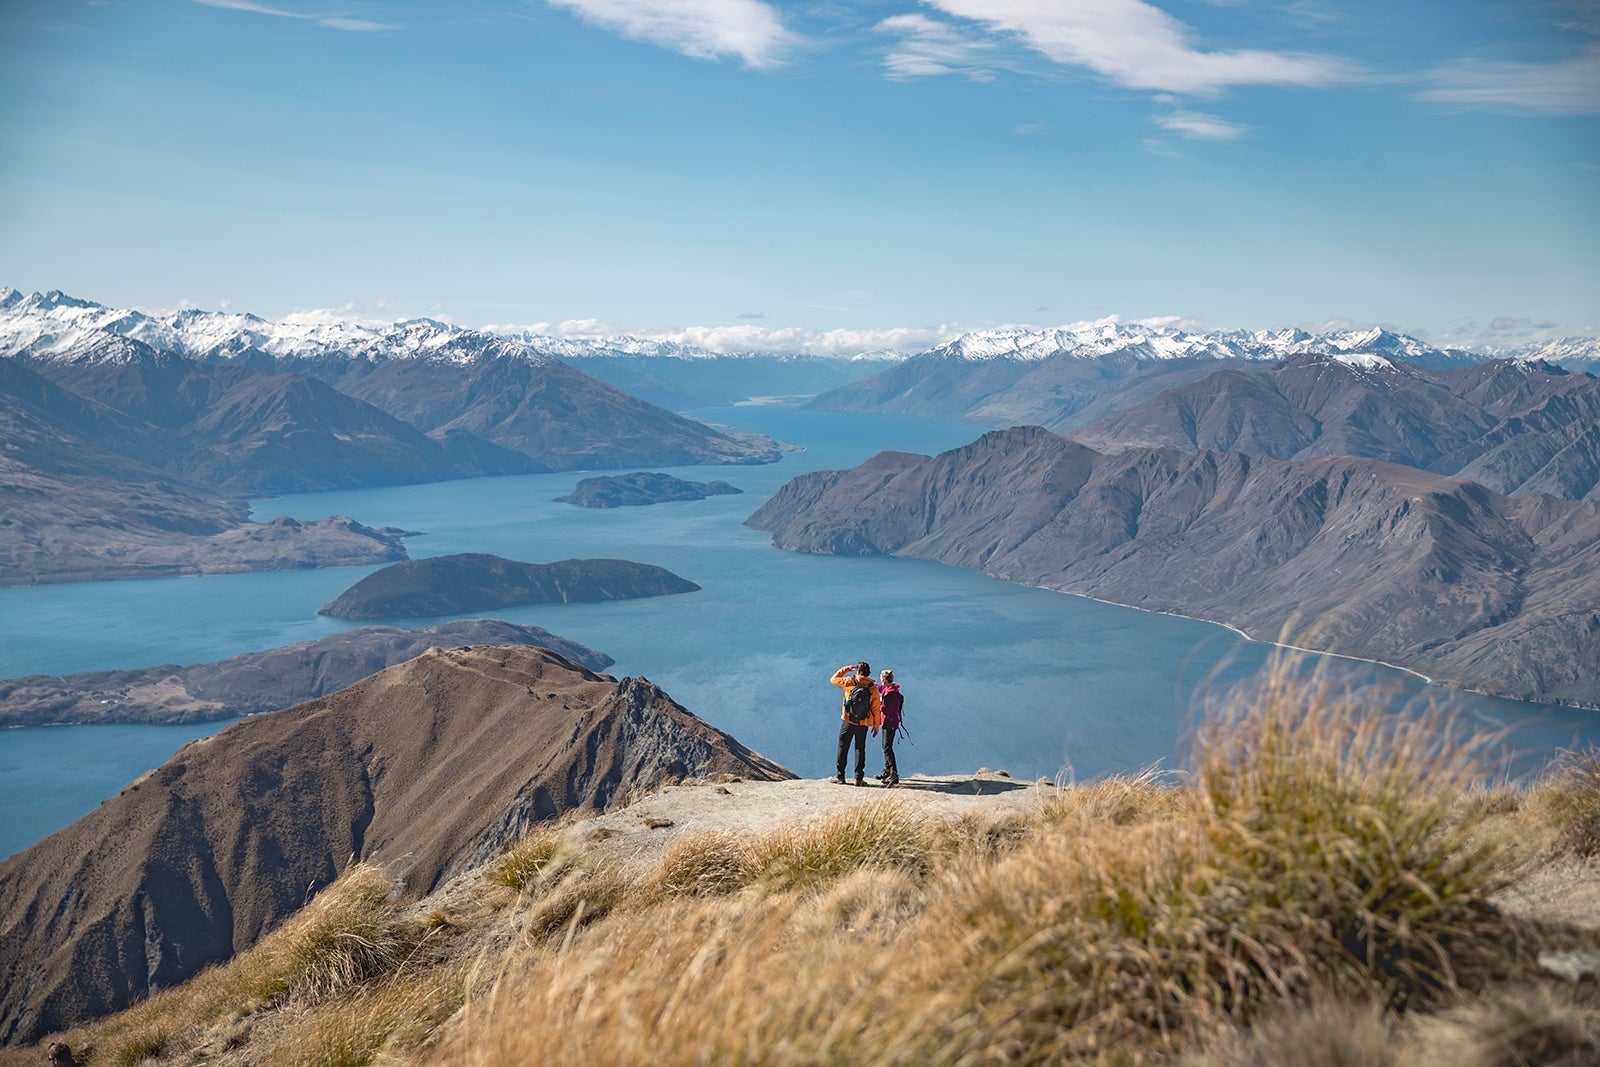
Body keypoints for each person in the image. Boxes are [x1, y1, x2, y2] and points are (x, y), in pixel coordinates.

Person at [830, 661, 882, 786]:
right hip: (863, 723)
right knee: (860, 748)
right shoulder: (872, 688)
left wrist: (846, 669)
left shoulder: (849, 682)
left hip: (848, 720)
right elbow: (876, 708)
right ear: (868, 672)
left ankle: (840, 776)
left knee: (843, 747)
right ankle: (858, 778)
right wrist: (876, 725)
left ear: (857, 671)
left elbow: (833, 679)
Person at [875, 669, 904, 786]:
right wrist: (870, 684)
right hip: (890, 723)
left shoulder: (891, 694)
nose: (880, 681)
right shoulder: (890, 689)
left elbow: (887, 710)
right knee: (886, 747)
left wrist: (880, 702)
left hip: (889, 723)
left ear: (885, 679)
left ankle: (894, 774)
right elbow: (881, 688)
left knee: (887, 748)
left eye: (881, 679)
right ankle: (887, 770)